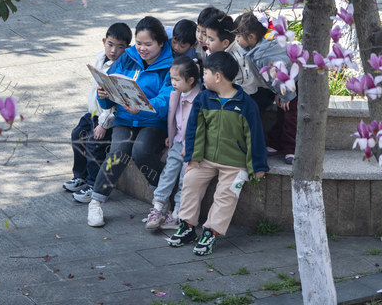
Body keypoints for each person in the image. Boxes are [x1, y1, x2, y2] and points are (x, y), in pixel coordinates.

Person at [167, 51, 268, 256]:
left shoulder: (246, 105)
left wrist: (258, 167)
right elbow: (195, 129)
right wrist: (193, 158)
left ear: (218, 76)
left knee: (227, 194)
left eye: (205, 73)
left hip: (235, 164)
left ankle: (211, 231)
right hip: (205, 159)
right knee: (190, 182)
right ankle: (187, 226)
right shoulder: (204, 99)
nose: (202, 77)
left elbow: (255, 136)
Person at [88, 16, 174, 227]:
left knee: (142, 151)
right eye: (139, 43)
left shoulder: (170, 65)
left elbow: (167, 99)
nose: (142, 49)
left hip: (153, 121)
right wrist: (103, 93)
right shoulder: (127, 56)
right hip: (124, 119)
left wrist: (144, 105)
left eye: (148, 44)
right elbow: (109, 86)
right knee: (118, 152)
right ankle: (96, 202)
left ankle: (161, 201)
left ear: (161, 43)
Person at [63, 22, 132, 202]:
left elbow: (115, 103)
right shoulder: (100, 58)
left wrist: (103, 124)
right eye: (110, 44)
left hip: (106, 118)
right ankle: (81, 176)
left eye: (120, 47)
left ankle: (94, 185)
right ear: (104, 41)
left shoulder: (122, 69)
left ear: (127, 48)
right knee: (77, 134)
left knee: (95, 144)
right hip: (93, 112)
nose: (113, 50)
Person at [145, 55, 201, 232]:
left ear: (191, 80)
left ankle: (177, 213)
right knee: (168, 174)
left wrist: (191, 147)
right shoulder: (176, 94)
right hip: (177, 142)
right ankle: (158, 208)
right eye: (171, 78)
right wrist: (172, 135)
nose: (173, 83)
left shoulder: (200, 98)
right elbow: (175, 118)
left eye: (176, 79)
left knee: (186, 180)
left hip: (191, 147)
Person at [237, 12, 298, 164]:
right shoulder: (259, 48)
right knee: (281, 113)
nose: (236, 39)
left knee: (290, 115)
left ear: (251, 37)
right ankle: (276, 142)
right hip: (283, 86)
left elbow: (280, 73)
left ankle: (291, 148)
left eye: (238, 36)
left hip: (294, 84)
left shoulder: (264, 54)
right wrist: (277, 92)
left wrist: (286, 96)